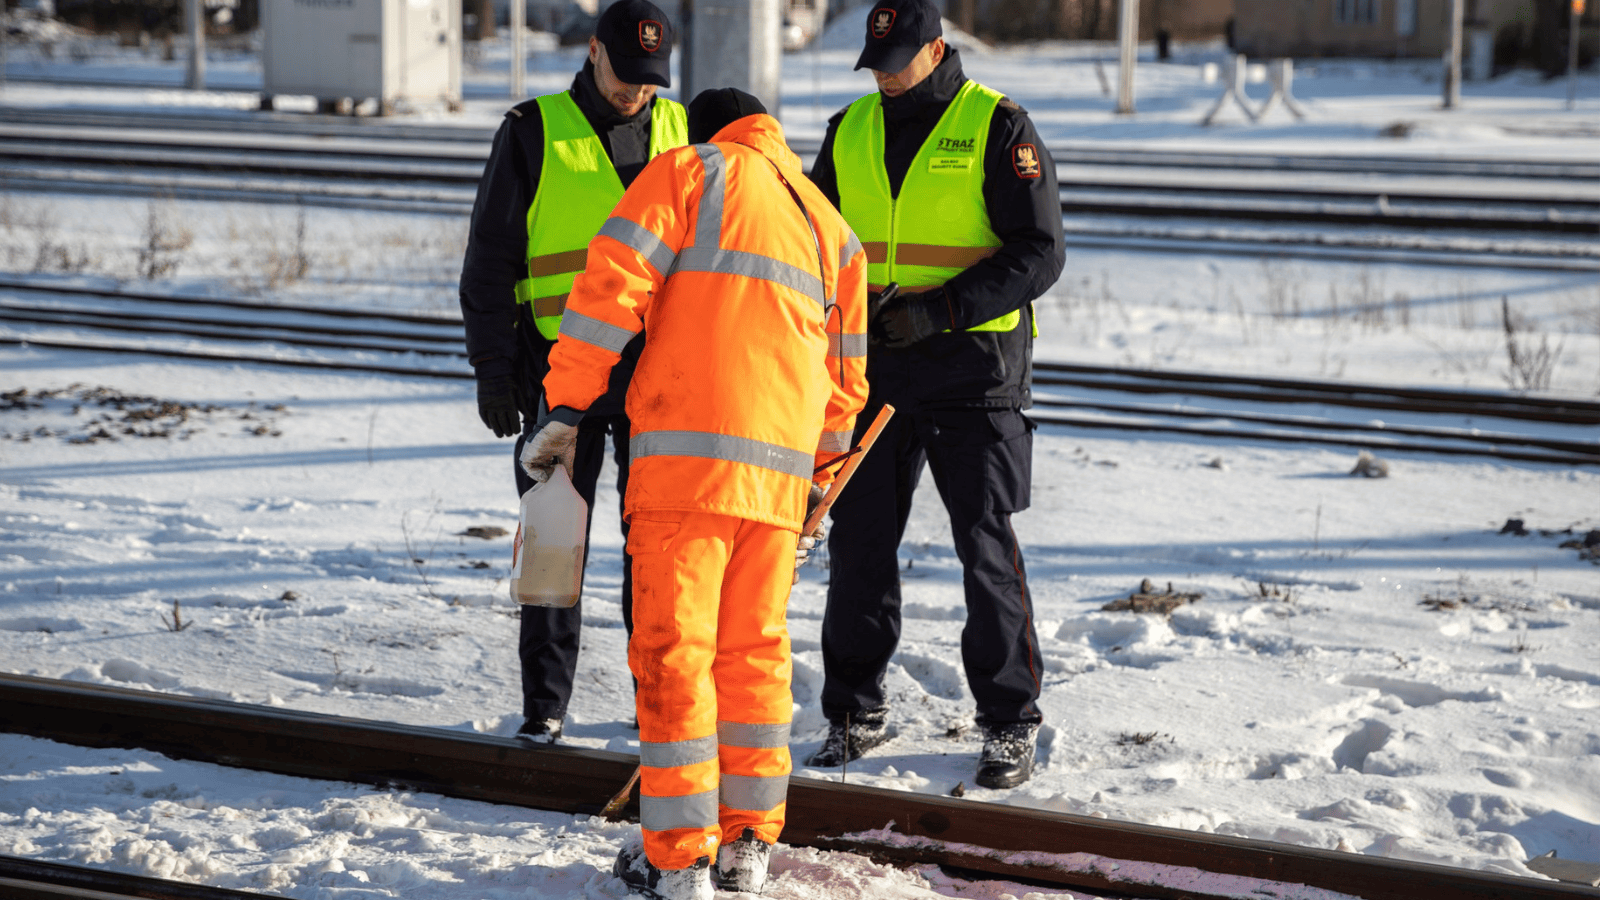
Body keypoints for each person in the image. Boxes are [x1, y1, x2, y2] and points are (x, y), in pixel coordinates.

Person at [519, 87, 869, 900]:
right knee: (754, 660)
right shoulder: (831, 228)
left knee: (675, 655)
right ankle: (748, 844)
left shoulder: (691, 171)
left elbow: (610, 286)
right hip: (778, 487)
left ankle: (679, 860)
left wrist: (566, 405)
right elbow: (846, 383)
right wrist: (818, 483)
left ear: (709, 133)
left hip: (686, 468)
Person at [804, 0, 1066, 790]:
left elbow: (1039, 252)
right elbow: (812, 241)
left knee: (984, 549)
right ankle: (853, 709)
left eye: (898, 62)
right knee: (858, 548)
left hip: (973, 374)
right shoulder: (849, 129)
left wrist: (942, 309)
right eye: (875, 64)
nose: (884, 77)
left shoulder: (998, 126)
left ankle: (1009, 722)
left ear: (936, 49)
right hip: (873, 372)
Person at [457, 0, 687, 744]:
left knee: (656, 556)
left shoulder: (684, 133)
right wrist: (493, 367)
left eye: (651, 80)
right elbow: (490, 260)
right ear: (593, 52)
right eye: (627, 75)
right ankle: (544, 709)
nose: (637, 91)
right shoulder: (533, 131)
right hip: (561, 379)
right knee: (554, 546)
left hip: (657, 380)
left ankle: (657, 706)